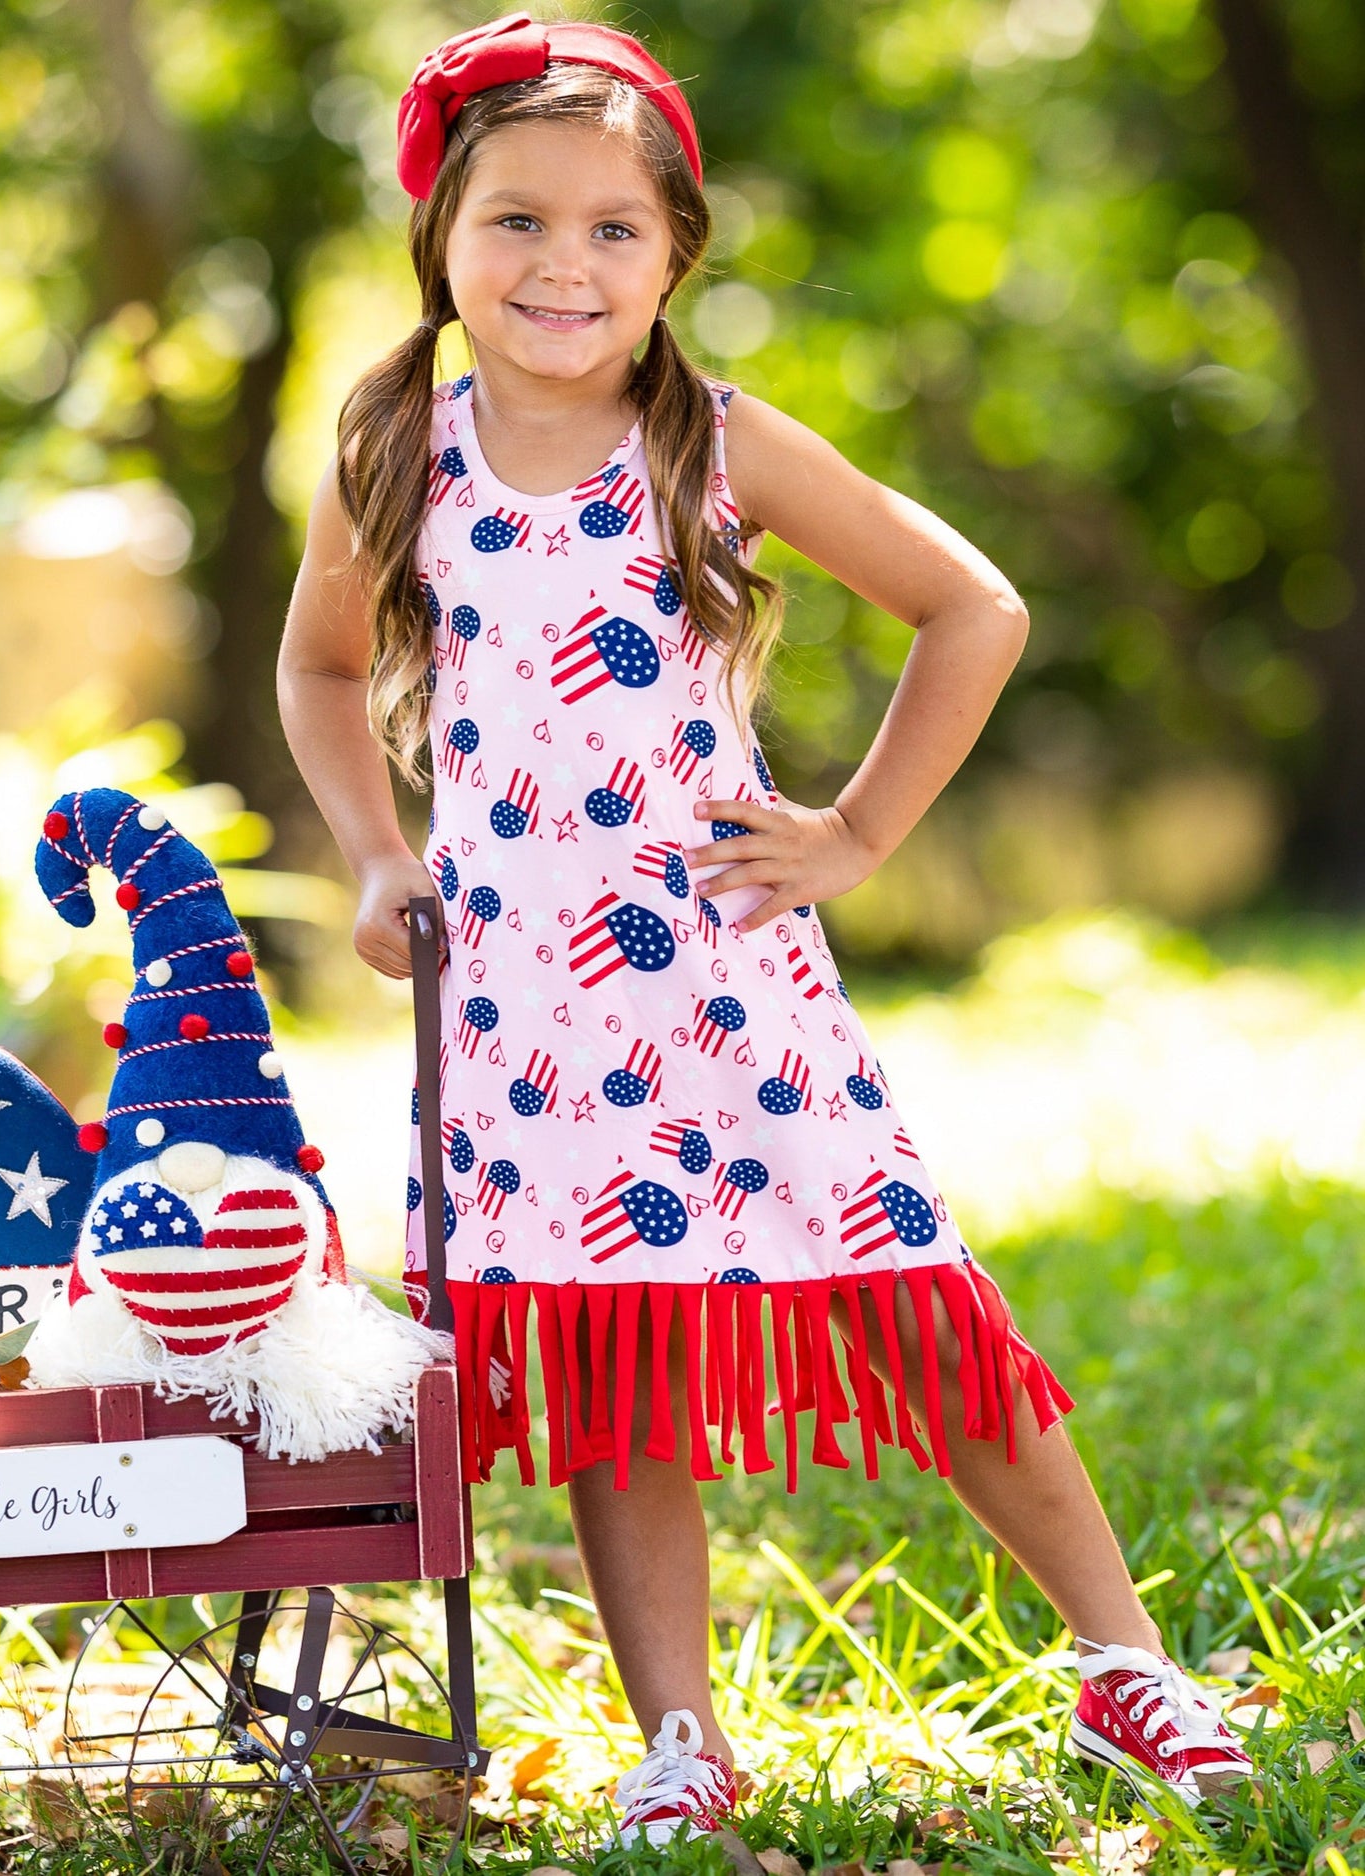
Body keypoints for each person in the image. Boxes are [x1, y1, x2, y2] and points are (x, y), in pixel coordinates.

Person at [277, 11, 1253, 1841]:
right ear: (441, 238)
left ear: (674, 258)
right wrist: (375, 852)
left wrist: (859, 831)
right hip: (518, 1006)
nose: (563, 264)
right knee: (612, 1352)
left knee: (912, 1303)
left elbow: (972, 607)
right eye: (515, 221)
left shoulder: (712, 442)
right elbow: (324, 672)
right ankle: (681, 1738)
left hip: (726, 980)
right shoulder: (398, 448)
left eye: (612, 229)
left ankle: (1128, 1665)